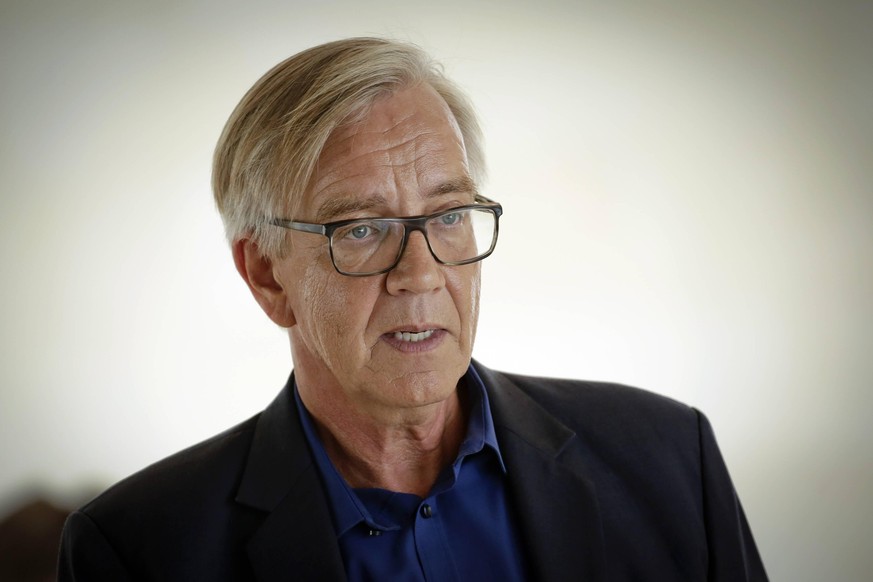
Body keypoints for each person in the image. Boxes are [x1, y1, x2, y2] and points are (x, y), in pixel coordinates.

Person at [58, 37, 767, 581]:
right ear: (266, 275)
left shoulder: (671, 459)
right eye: (361, 229)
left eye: (449, 213)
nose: (420, 273)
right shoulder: (137, 549)